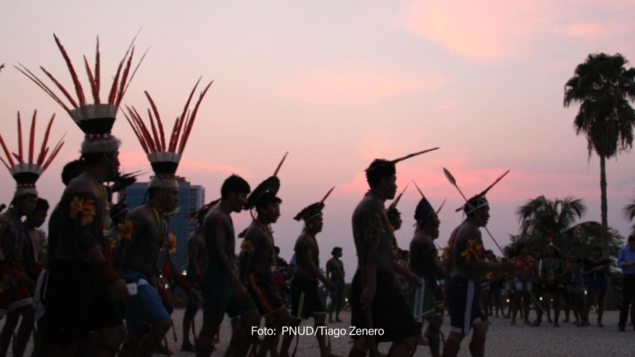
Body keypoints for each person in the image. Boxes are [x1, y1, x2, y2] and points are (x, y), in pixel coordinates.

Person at [115, 79, 210, 356]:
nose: (176, 200)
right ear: (158, 193)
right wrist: (114, 279)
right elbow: (122, 248)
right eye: (172, 196)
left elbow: (165, 260)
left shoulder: (161, 220)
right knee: (162, 322)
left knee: (137, 333)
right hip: (132, 278)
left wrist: (184, 286)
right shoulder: (139, 215)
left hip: (147, 278)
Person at [348, 148, 437, 357]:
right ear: (384, 181)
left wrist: (404, 274)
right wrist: (371, 284)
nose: (396, 185)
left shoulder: (375, 205)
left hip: (379, 277)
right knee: (409, 334)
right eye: (394, 179)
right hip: (375, 279)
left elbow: (383, 252)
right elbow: (369, 250)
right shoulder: (371, 206)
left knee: (367, 337)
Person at [0, 111, 63, 357]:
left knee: (18, 318)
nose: (33, 207)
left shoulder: (23, 226)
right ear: (20, 200)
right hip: (6, 274)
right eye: (31, 202)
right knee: (25, 314)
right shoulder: (5, 221)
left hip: (16, 275)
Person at [442, 193, 513, 357]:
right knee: (458, 331)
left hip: (462, 284)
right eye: (486, 210)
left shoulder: (459, 229)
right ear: (478, 212)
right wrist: (502, 266)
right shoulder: (472, 231)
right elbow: (473, 263)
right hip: (464, 285)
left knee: (481, 326)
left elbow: (452, 263)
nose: (488, 215)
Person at [197, 175, 260, 357]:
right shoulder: (217, 217)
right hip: (218, 277)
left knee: (251, 316)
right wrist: (237, 283)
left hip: (226, 277)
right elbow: (219, 254)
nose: (245, 201)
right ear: (232, 194)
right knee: (210, 327)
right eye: (243, 196)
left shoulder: (224, 216)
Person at [239, 160, 290, 357]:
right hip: (255, 281)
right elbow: (244, 257)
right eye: (274, 207)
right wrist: (243, 285)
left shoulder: (264, 228)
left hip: (265, 281)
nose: (278, 212)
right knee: (282, 317)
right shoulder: (254, 231)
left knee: (272, 321)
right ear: (262, 209)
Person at [282, 188, 338, 357]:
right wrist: (326, 281)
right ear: (311, 223)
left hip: (311, 284)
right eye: (319, 220)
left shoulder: (311, 237)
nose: (322, 223)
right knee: (296, 320)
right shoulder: (304, 239)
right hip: (302, 284)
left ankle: (324, 353)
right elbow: (309, 265)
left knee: (320, 318)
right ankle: (283, 352)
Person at [409, 196, 445, 357]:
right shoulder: (423, 240)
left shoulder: (425, 238)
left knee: (435, 322)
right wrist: (454, 276)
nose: (439, 221)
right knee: (415, 326)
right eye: (435, 217)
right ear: (428, 220)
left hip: (427, 284)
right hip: (420, 286)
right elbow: (435, 266)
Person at [181, 200, 216, 352]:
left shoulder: (208, 237)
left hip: (205, 276)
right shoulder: (195, 238)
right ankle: (186, 341)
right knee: (191, 309)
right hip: (195, 277)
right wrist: (198, 275)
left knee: (208, 310)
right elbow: (192, 259)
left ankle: (204, 340)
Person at [581, 246, 610, 327]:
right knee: (588, 301)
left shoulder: (604, 261)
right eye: (594, 251)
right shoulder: (587, 261)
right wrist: (590, 271)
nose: (596, 253)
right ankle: (584, 320)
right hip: (591, 280)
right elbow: (582, 272)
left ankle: (599, 321)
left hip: (601, 280)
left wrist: (605, 268)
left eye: (598, 251)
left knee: (600, 301)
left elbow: (607, 272)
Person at [541, 241, 565, 327]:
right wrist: (545, 278)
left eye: (551, 249)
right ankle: (539, 318)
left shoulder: (559, 261)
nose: (550, 251)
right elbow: (542, 271)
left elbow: (564, 272)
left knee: (557, 302)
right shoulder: (544, 261)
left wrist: (557, 277)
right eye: (548, 249)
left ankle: (556, 321)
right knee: (545, 300)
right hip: (547, 281)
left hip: (557, 281)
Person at [510, 244, 534, 326]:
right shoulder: (515, 259)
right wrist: (511, 281)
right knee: (517, 299)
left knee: (527, 299)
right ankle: (513, 319)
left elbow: (533, 269)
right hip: (518, 279)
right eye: (524, 248)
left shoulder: (530, 259)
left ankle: (526, 319)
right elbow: (511, 270)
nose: (525, 250)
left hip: (528, 280)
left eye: (526, 248)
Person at [617, 234, 635, 332]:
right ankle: (622, 324)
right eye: (632, 243)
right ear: (629, 242)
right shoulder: (624, 251)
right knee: (625, 302)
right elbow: (619, 263)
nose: (633, 245)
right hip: (628, 277)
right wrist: (627, 264)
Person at [565, 250, 585, 326]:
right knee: (573, 303)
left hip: (578, 284)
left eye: (575, 256)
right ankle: (577, 318)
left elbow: (583, 260)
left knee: (580, 302)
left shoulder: (580, 264)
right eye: (572, 256)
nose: (573, 257)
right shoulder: (570, 265)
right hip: (571, 284)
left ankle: (583, 319)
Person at [326, 247, 345, 323]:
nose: (341, 253)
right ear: (336, 252)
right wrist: (328, 282)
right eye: (340, 252)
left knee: (339, 300)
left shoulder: (341, 262)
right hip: (334, 281)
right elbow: (327, 273)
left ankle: (337, 317)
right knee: (334, 299)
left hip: (341, 280)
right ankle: (330, 317)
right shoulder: (330, 262)